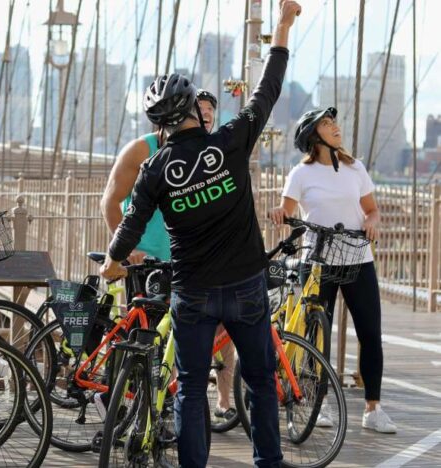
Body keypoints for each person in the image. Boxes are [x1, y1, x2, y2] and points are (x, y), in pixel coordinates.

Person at [101, 2, 301, 466]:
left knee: (191, 389)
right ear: (194, 108)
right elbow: (267, 90)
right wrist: (282, 26)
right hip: (247, 285)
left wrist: (114, 259)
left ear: (161, 123)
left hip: (191, 293)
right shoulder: (229, 142)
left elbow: (130, 223)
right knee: (261, 380)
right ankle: (267, 463)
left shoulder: (155, 168)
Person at [97, 89, 236, 421]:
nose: (199, 118)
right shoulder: (142, 149)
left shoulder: (206, 149)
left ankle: (193, 405)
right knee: (143, 339)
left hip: (189, 263)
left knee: (193, 338)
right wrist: (128, 252)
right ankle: (119, 402)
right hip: (147, 263)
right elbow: (109, 202)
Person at [269, 107, 396, 433]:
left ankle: (373, 408)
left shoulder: (356, 168)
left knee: (370, 334)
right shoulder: (301, 173)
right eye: (327, 124)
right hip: (318, 261)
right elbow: (286, 209)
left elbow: (372, 210)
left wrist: (372, 222)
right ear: (314, 136)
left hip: (358, 258)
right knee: (317, 334)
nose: (335, 127)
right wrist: (279, 214)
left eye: (334, 122)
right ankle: (318, 403)